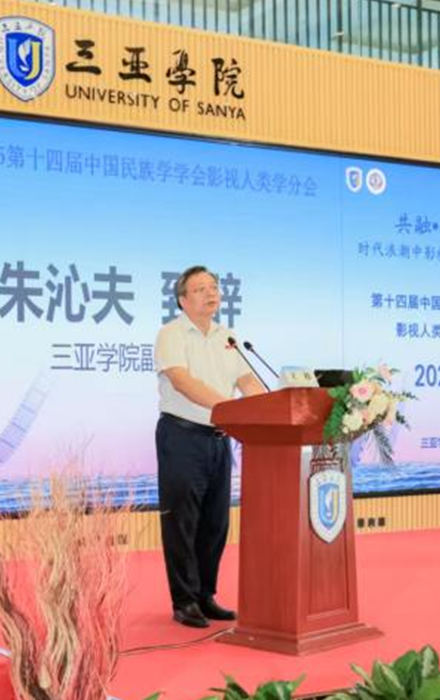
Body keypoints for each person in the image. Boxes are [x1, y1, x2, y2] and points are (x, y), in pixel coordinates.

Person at [154, 265, 266, 628]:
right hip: (182, 436)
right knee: (183, 521)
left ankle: (205, 595)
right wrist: (230, 408)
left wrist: (270, 406)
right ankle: (184, 600)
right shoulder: (171, 334)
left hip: (220, 439)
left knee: (215, 522)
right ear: (182, 299)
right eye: (200, 288)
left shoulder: (227, 336)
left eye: (214, 287)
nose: (211, 293)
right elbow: (182, 381)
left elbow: (248, 381)